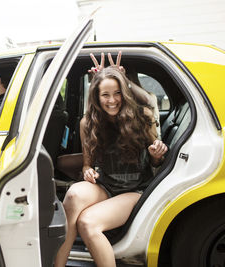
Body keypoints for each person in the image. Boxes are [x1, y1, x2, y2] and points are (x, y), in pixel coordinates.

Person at [54, 61, 167, 266]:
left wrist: (156, 154)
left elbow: (156, 161)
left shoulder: (143, 116)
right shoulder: (87, 123)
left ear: (124, 92)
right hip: (106, 185)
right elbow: (87, 164)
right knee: (73, 195)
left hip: (135, 190)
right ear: (97, 97)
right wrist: (88, 172)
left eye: (117, 93)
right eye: (105, 95)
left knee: (87, 223)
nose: (112, 100)